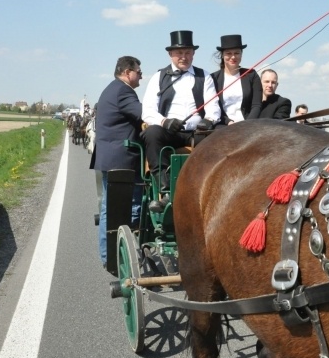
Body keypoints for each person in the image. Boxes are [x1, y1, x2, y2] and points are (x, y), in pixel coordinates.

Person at [142, 30, 220, 212]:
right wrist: (164, 122)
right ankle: (165, 190)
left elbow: (213, 106)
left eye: (187, 53)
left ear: (193, 54)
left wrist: (208, 121)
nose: (183, 57)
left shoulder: (204, 76)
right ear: (171, 54)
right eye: (179, 53)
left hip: (196, 131)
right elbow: (148, 111)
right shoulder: (158, 77)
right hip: (168, 131)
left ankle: (209, 190)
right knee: (152, 134)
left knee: (218, 139)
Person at [89, 56, 144, 270]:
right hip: (122, 159)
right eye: (139, 71)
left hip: (111, 157)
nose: (141, 75)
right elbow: (142, 114)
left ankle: (110, 256)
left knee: (109, 209)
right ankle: (116, 258)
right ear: (127, 72)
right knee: (124, 208)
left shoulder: (111, 89)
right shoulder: (123, 91)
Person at [210, 34, 262, 126]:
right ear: (222, 55)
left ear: (241, 54)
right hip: (223, 126)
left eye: (237, 53)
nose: (233, 57)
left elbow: (256, 105)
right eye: (229, 53)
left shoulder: (252, 75)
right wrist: (228, 122)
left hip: (248, 125)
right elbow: (213, 107)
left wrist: (246, 124)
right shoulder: (213, 78)